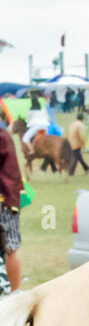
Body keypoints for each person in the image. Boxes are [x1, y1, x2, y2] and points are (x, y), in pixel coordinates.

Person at [0, 121, 22, 295]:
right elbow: (11, 172)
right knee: (11, 247)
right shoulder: (3, 136)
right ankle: (14, 293)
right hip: (4, 199)